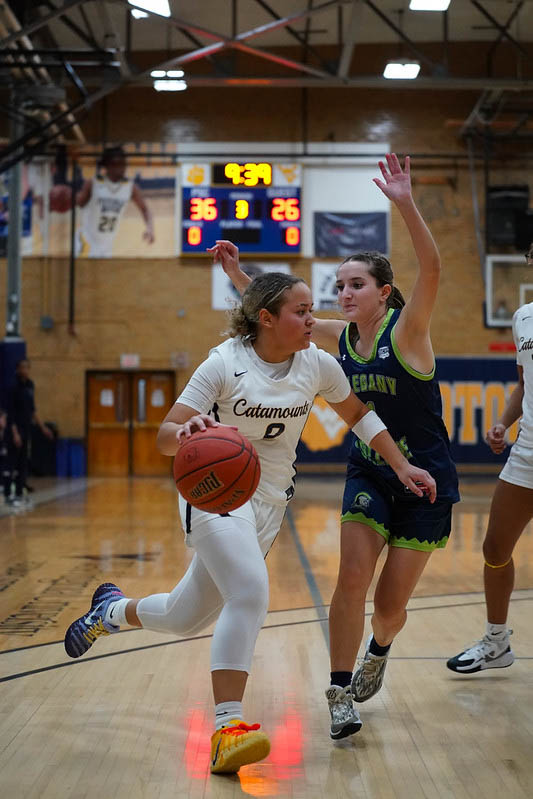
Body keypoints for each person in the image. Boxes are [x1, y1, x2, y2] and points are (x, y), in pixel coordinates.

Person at [64, 264, 436, 774]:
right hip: (215, 493)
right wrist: (188, 431)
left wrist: (401, 464)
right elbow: (164, 438)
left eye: (311, 310)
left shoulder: (317, 364)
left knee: (184, 614)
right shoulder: (222, 364)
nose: (312, 319)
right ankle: (226, 729)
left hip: (268, 502)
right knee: (251, 592)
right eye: (301, 312)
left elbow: (360, 417)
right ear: (266, 318)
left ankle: (109, 612)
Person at [219, 153, 459, 741]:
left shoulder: (410, 330)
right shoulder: (336, 335)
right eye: (340, 285)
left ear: (384, 293)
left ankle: (380, 648)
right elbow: (275, 317)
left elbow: (432, 267)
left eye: (356, 285)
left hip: (424, 479)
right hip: (372, 471)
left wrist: (404, 201)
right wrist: (236, 274)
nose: (344, 293)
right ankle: (339, 689)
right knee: (351, 578)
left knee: (390, 606)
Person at [447, 243, 533, 675]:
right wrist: (503, 422)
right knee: (495, 547)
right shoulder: (524, 318)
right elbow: (524, 384)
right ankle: (497, 643)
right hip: (527, 453)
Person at [76, 146, 154, 258]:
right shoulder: (93, 183)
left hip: (107, 246)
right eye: (117, 163)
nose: (122, 167)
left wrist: (150, 228)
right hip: (86, 241)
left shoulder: (130, 187)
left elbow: (145, 210)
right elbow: (79, 203)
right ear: (107, 165)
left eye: (123, 163)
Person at [8, 359, 54, 507]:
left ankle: (20, 493)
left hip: (27, 428)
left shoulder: (30, 385)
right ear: (18, 369)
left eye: (27, 368)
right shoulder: (13, 386)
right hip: (15, 428)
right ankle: (10, 494)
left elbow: (33, 410)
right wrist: (14, 433)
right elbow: (10, 413)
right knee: (13, 462)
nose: (25, 370)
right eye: (23, 368)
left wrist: (43, 428)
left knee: (23, 462)